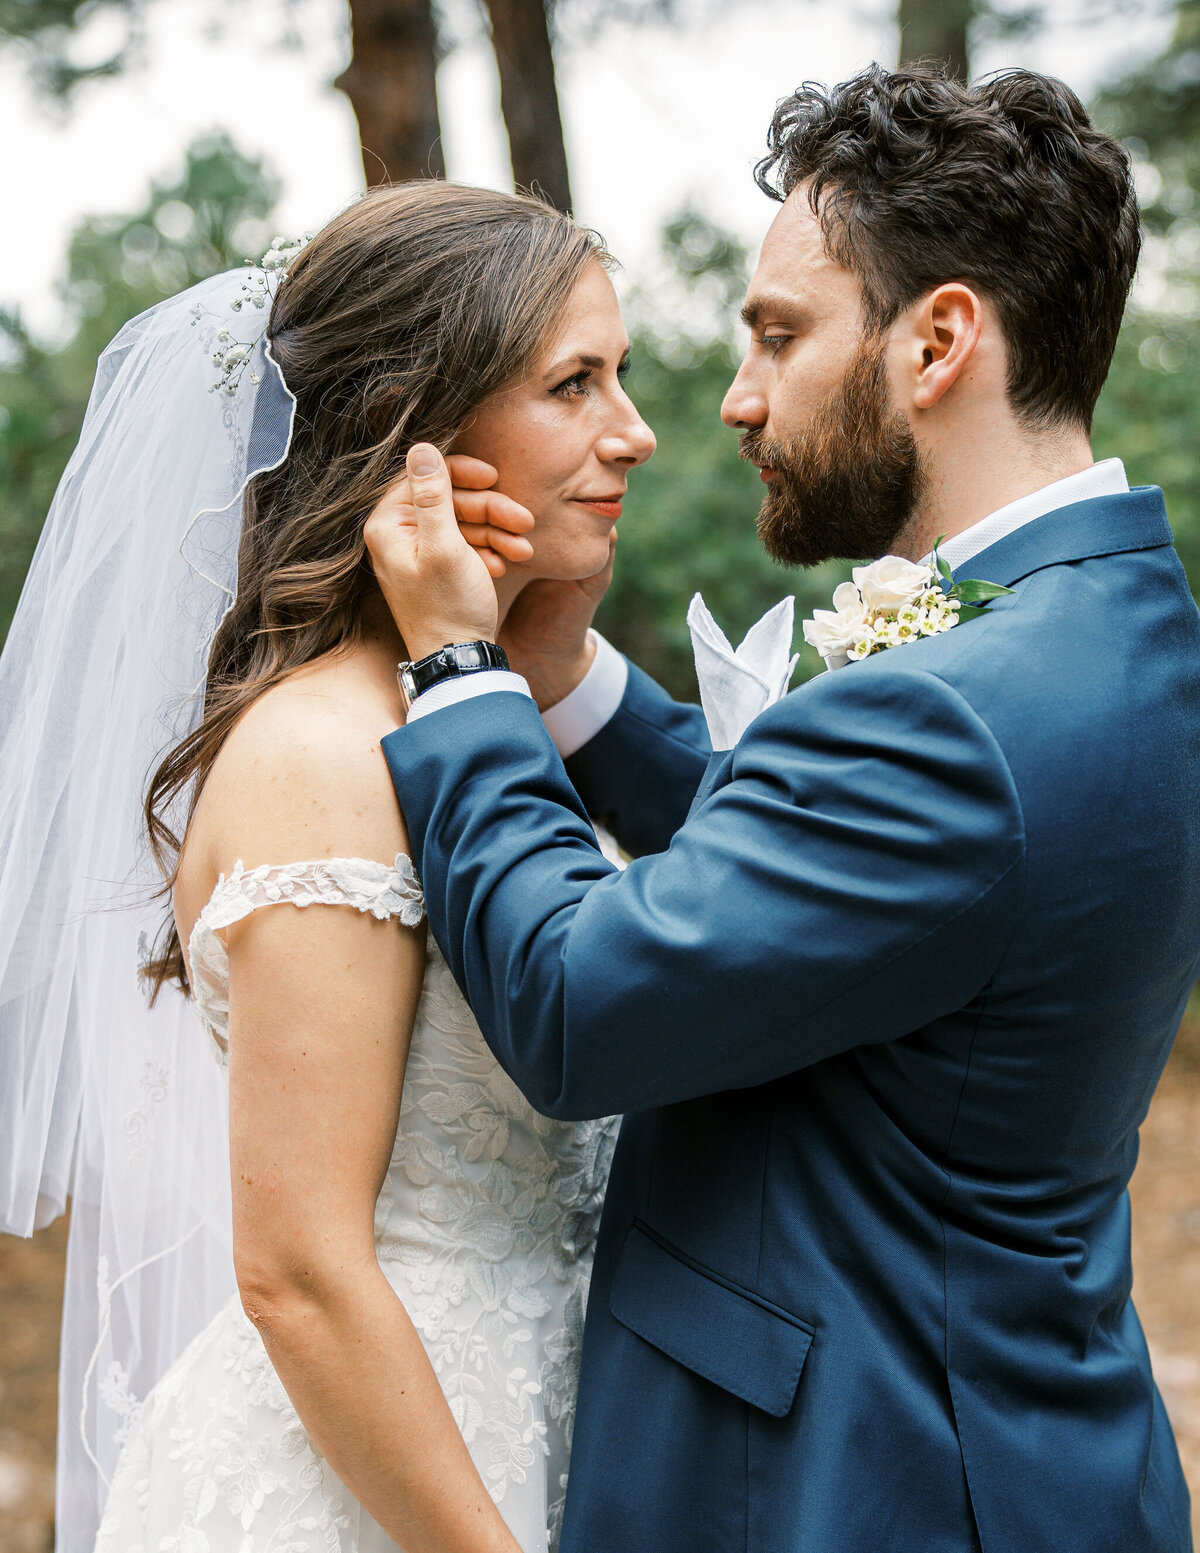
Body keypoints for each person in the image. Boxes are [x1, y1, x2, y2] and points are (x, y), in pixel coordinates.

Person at [365, 66, 1200, 1553]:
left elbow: (575, 1000)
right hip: (1029, 1451)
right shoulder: (1113, 631)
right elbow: (839, 884)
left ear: (939, 340)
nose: (737, 400)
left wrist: (457, 671)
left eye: (779, 334)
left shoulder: (954, 712)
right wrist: (563, 677)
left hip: (861, 1483)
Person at [0, 181, 654, 1553]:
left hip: (548, 1429)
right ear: (416, 427)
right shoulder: (325, 756)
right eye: (574, 384)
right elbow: (298, 1271)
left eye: (621, 376)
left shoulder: (480, 719)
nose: (632, 431)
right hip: (382, 1493)